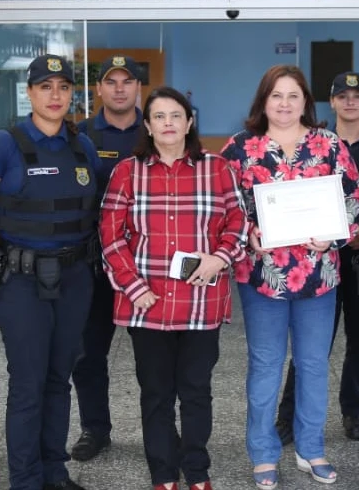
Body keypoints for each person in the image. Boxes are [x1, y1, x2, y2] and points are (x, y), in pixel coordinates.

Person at [220, 65, 359, 489]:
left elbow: (354, 199)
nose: (284, 104)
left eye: (293, 96)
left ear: (305, 102)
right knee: (265, 365)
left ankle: (311, 448)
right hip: (262, 275)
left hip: (318, 274)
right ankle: (263, 453)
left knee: (314, 365)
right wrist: (247, 233)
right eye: (276, 95)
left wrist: (334, 235)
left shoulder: (329, 145)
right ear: (263, 100)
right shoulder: (239, 148)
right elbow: (223, 204)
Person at [100, 86, 247, 490]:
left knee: (196, 390)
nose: (168, 123)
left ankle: (197, 470)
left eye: (176, 115)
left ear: (189, 122)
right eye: (159, 117)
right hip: (147, 303)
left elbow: (239, 221)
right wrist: (133, 287)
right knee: (156, 393)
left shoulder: (217, 168)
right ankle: (163, 472)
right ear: (147, 126)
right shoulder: (127, 172)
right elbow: (111, 236)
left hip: (201, 303)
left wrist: (220, 257)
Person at [0, 54, 101, 490]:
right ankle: (26, 480)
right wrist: (12, 250)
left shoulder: (82, 146)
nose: (55, 95)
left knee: (59, 379)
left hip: (74, 277)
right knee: (28, 383)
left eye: (63, 87)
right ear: (30, 93)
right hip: (22, 280)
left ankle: (53, 472)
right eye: (45, 87)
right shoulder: (5, 145)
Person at [277, 71, 359, 445]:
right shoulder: (314, 144)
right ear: (333, 102)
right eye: (343, 96)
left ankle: (353, 412)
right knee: (311, 345)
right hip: (317, 261)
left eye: (357, 96)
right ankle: (288, 417)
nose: (350, 102)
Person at [71, 54, 145, 463]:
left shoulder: (154, 131)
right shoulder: (80, 135)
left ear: (138, 88)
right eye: (111, 82)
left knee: (153, 356)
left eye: (127, 81)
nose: (119, 89)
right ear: (98, 89)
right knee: (88, 354)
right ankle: (94, 429)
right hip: (93, 265)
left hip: (144, 267)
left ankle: (158, 429)